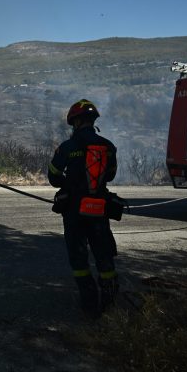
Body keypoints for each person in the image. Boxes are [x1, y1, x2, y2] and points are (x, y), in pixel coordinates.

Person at [48, 99, 119, 318]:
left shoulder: (67, 147)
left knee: (79, 259)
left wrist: (68, 183)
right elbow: (111, 175)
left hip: (74, 210)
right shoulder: (108, 146)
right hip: (99, 209)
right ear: (92, 120)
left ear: (75, 121)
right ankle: (109, 301)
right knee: (103, 255)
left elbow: (53, 176)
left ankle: (89, 304)